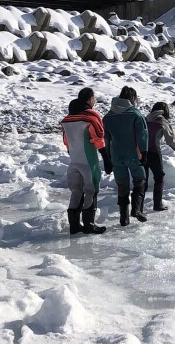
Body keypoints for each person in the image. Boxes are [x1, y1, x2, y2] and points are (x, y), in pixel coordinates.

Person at [60, 87, 111, 236]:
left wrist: (73, 154)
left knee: (76, 191)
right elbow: (98, 139)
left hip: (74, 161)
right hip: (89, 162)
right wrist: (106, 159)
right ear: (90, 99)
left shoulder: (67, 119)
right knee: (91, 190)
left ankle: (74, 226)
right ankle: (89, 224)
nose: (95, 101)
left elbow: (66, 142)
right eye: (94, 98)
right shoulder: (91, 118)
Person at [103, 85, 149, 226]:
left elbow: (106, 139)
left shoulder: (108, 117)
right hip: (134, 155)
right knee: (140, 180)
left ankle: (124, 218)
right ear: (132, 98)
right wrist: (145, 152)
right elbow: (142, 135)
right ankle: (136, 209)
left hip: (116, 156)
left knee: (122, 186)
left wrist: (107, 158)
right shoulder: (135, 114)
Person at [145, 101, 175, 211]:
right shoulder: (162, 121)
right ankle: (157, 204)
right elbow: (170, 140)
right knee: (159, 178)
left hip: (141, 152)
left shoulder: (145, 119)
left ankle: (138, 208)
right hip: (154, 152)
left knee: (142, 180)